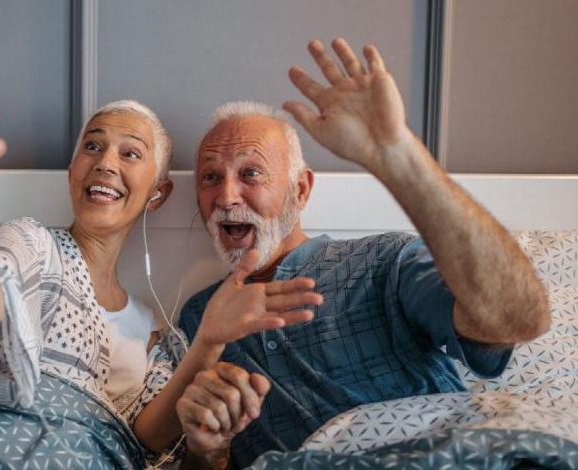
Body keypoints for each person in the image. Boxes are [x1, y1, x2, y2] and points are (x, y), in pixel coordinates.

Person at [0, 94, 321, 468]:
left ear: (155, 194)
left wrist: (208, 340)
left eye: (130, 153)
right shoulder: (31, 243)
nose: (106, 162)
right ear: (72, 171)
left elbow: (148, 438)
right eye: (92, 147)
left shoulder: (161, 336)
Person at [174, 38, 551, 469]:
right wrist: (208, 451)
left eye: (251, 173)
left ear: (300, 190)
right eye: (209, 176)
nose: (226, 195)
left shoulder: (384, 262)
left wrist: (398, 154)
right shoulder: (198, 322)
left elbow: (518, 319)